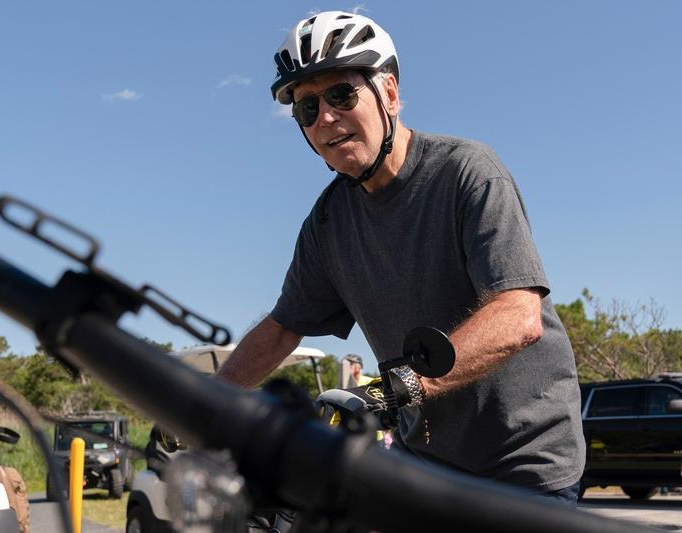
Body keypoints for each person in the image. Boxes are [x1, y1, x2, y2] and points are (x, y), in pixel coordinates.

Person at [217, 11, 584, 504]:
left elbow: (519, 315)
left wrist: (403, 384)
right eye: (306, 108)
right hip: (428, 459)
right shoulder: (329, 223)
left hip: (523, 461)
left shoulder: (467, 173)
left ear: (388, 93)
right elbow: (283, 327)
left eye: (342, 95)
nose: (325, 117)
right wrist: (203, 407)